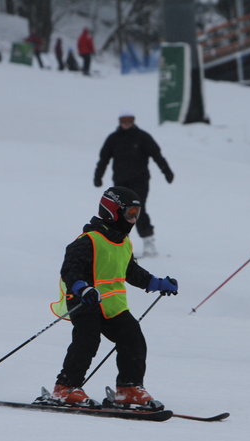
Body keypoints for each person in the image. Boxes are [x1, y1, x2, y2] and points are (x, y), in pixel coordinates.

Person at [49, 186, 178, 410]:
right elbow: (71, 269)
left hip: (111, 306)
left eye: (136, 215)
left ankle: (128, 389)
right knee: (87, 340)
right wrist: (82, 288)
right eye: (130, 214)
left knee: (133, 338)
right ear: (113, 211)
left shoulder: (123, 243)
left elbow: (131, 272)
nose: (133, 219)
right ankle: (66, 388)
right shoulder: (88, 240)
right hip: (84, 301)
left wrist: (156, 283)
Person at [93, 111, 174, 257]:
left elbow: (157, 155)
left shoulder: (142, 137)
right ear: (120, 122)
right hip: (120, 182)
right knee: (119, 212)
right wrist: (98, 176)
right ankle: (122, 243)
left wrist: (167, 171)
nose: (126, 123)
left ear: (133, 121)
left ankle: (148, 241)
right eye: (124, 121)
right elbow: (103, 159)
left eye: (129, 121)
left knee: (136, 210)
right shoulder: (113, 139)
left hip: (140, 181)